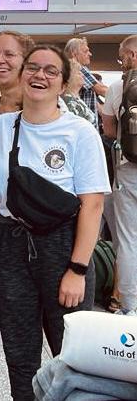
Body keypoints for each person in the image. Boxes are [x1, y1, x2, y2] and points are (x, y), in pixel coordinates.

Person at [0, 45, 110, 401]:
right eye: (33, 68)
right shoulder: (4, 126)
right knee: (20, 354)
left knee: (71, 353)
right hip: (11, 245)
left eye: (51, 71)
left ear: (63, 83)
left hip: (62, 246)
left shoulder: (79, 131)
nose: (40, 76)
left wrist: (77, 270)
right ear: (22, 76)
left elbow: (93, 204)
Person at [102, 34, 137, 317]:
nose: (122, 62)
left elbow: (109, 130)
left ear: (132, 55)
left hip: (129, 170)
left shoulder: (118, 86)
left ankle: (130, 307)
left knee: (127, 239)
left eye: (122, 57)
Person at [63, 37, 107, 125]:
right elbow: (102, 90)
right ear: (74, 54)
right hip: (81, 122)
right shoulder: (77, 68)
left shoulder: (66, 67)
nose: (90, 54)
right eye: (85, 51)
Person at [62, 59, 97, 125]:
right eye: (78, 73)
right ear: (69, 77)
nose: (83, 75)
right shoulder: (68, 102)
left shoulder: (76, 99)